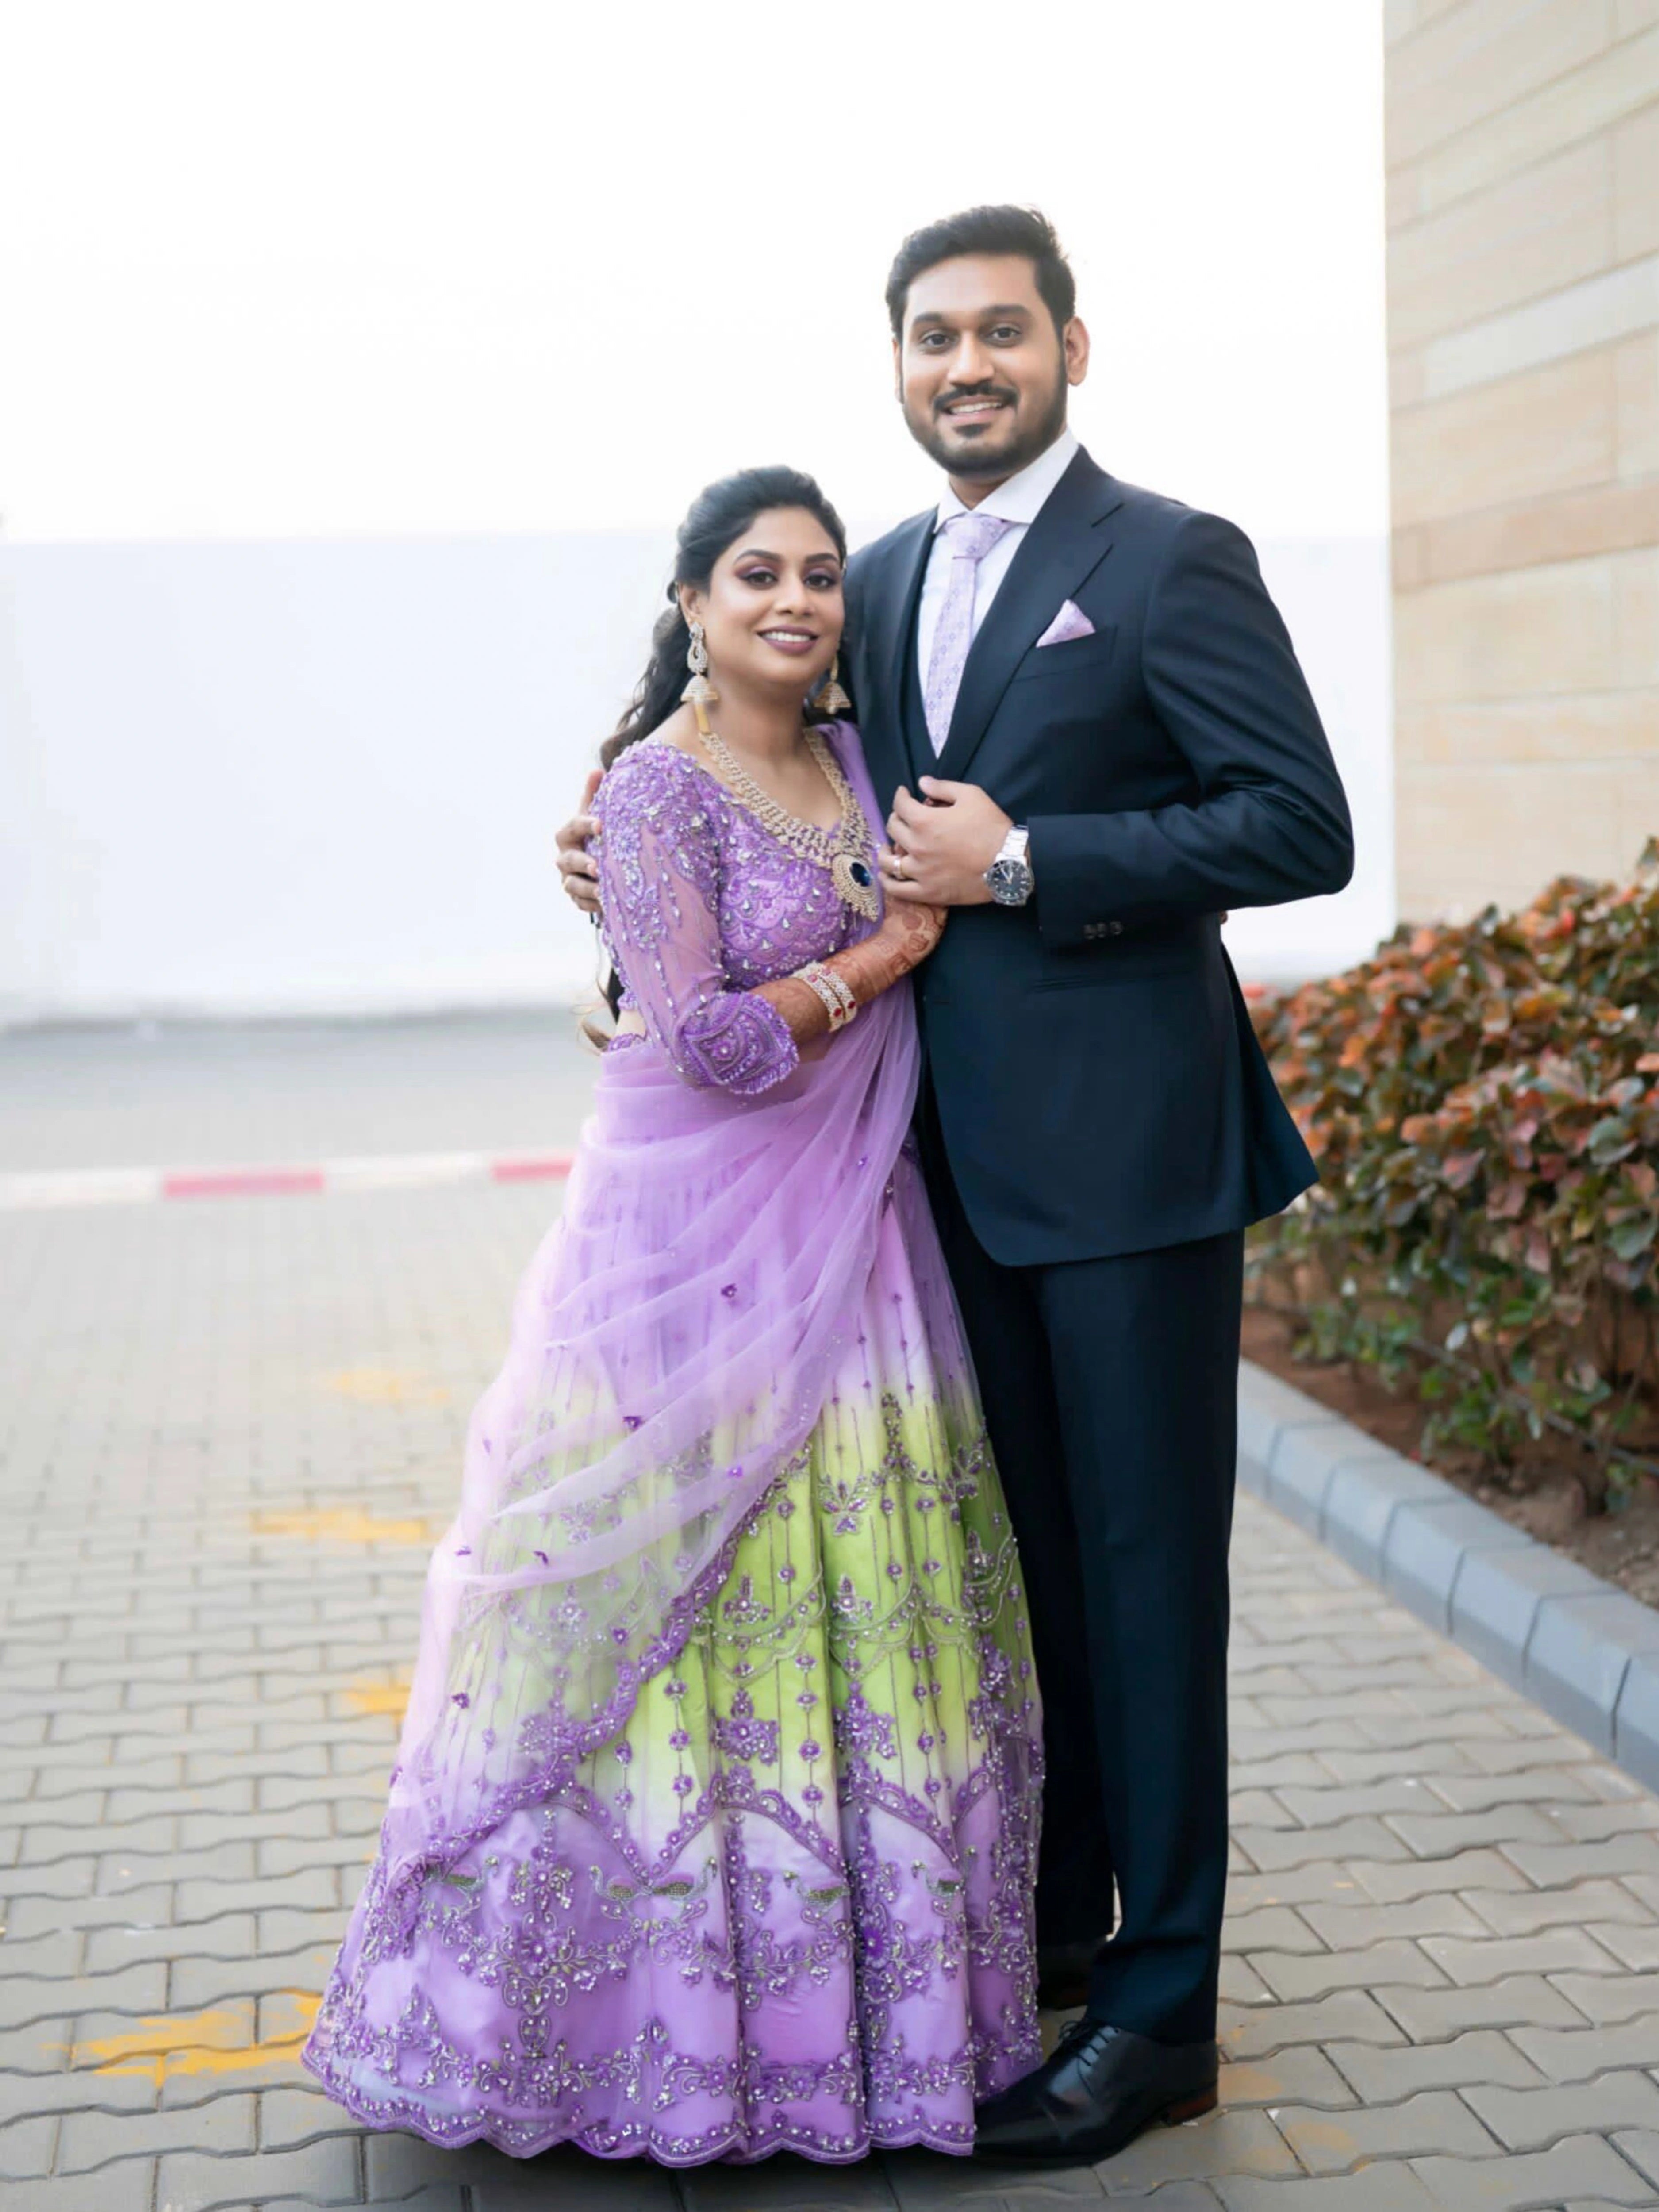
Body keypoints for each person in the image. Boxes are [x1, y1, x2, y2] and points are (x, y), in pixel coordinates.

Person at [558, 208, 1354, 2165]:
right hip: (932, 1176)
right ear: (899, 366)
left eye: (1001, 331)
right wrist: (622, 859)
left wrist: (1021, 860)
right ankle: (1069, 1929)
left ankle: (1161, 2009)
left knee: (1151, 1580)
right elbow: (787, 799)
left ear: (1072, 347)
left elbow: (1294, 822)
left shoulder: (1168, 556)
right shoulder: (885, 572)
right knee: (1038, 1578)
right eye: (932, 339)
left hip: (1132, 1169)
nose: (965, 365)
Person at [302, 466, 1044, 2165]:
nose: (796, 600)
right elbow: (707, 1040)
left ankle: (854, 2020)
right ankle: (640, 2033)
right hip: (691, 1262)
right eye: (757, 574)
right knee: (673, 1594)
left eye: (823, 575)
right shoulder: (650, 789)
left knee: (861, 1606)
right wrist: (885, 957)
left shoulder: (859, 765)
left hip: (860, 1252)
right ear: (696, 605)